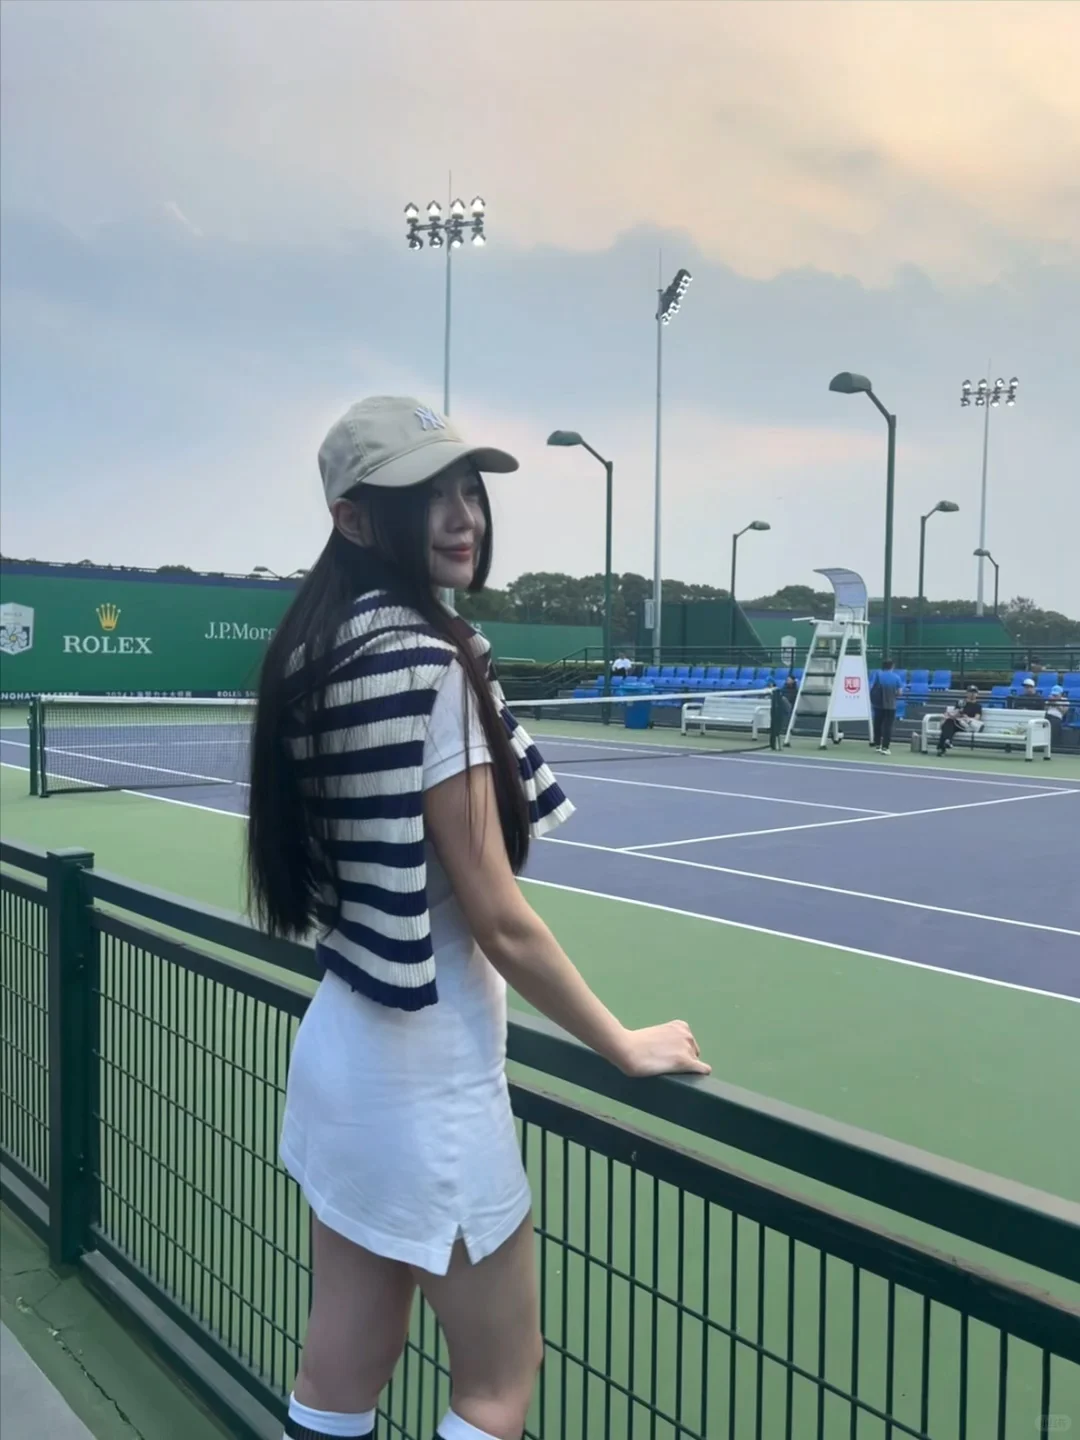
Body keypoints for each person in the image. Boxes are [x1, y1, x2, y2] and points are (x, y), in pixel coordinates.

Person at [246, 396, 709, 1440]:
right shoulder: (432, 666)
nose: (463, 516)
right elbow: (499, 919)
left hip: (343, 1063)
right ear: (354, 519)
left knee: (344, 1362)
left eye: (469, 489)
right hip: (430, 1087)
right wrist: (621, 1043)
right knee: (500, 1381)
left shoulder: (315, 649)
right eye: (428, 496)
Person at [870, 658, 904, 754]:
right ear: (892, 666)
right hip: (890, 705)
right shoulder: (896, 677)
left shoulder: (877, 675)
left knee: (877, 724)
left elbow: (872, 688)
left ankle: (877, 745)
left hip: (877, 704)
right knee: (888, 726)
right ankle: (885, 747)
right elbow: (899, 692)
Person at [936, 685, 983, 755]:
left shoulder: (978, 706)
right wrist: (951, 715)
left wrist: (966, 717)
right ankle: (947, 742)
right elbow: (955, 713)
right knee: (948, 723)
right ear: (967, 693)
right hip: (957, 723)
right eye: (970, 692)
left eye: (974, 692)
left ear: (977, 694)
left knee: (947, 724)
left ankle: (942, 747)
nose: (972, 694)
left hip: (966, 725)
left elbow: (976, 718)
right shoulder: (961, 703)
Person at [768, 679, 791, 750]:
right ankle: (773, 744)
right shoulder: (767, 696)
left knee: (776, 730)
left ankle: (776, 745)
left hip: (778, 716)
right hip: (770, 716)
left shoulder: (782, 698)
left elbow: (788, 707)